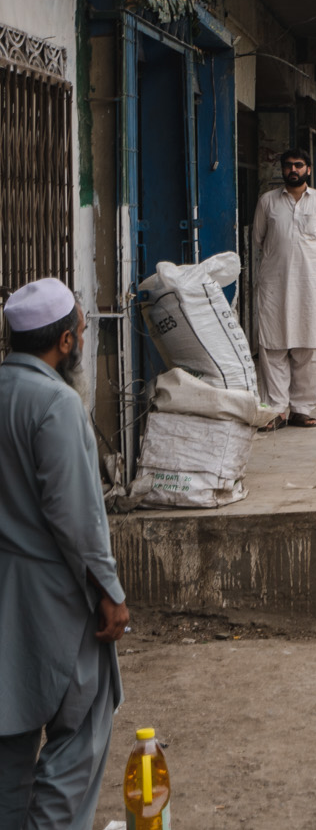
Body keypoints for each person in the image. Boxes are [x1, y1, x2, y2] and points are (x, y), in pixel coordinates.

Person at [0, 279, 128, 829]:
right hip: (55, 599)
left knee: (9, 743)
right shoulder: (56, 404)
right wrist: (110, 595)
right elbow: (77, 520)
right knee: (82, 730)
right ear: (68, 342)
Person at [250, 146, 316, 430]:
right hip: (276, 285)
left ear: (308, 169)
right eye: (288, 165)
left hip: (311, 285)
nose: (293, 170)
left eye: (299, 165)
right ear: (282, 170)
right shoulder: (268, 202)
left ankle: (301, 408)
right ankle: (276, 410)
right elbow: (260, 239)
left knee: (308, 348)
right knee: (273, 346)